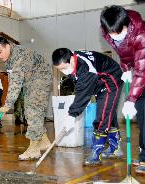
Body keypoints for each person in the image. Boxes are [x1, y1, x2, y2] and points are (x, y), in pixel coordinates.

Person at [52, 48, 124, 166]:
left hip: (111, 80)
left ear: (71, 59)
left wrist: (72, 115)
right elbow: (80, 84)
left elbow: (82, 93)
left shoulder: (85, 68)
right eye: (60, 70)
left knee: (102, 117)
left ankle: (96, 154)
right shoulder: (73, 61)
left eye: (64, 68)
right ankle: (115, 149)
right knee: (108, 113)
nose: (64, 72)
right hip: (99, 81)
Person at [0, 37, 52, 161]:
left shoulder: (18, 55)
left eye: (0, 51)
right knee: (30, 110)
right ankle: (44, 141)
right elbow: (14, 80)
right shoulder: (9, 57)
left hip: (41, 78)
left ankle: (34, 149)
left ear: (8, 46)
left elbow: (15, 83)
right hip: (31, 80)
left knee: (33, 111)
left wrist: (7, 104)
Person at [100, 5, 145, 173]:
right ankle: (143, 153)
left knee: (144, 109)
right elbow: (125, 52)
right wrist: (125, 68)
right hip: (140, 69)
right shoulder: (109, 30)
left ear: (127, 25)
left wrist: (131, 99)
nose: (114, 37)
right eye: (111, 34)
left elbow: (142, 71)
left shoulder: (141, 35)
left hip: (144, 69)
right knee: (142, 113)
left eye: (118, 33)